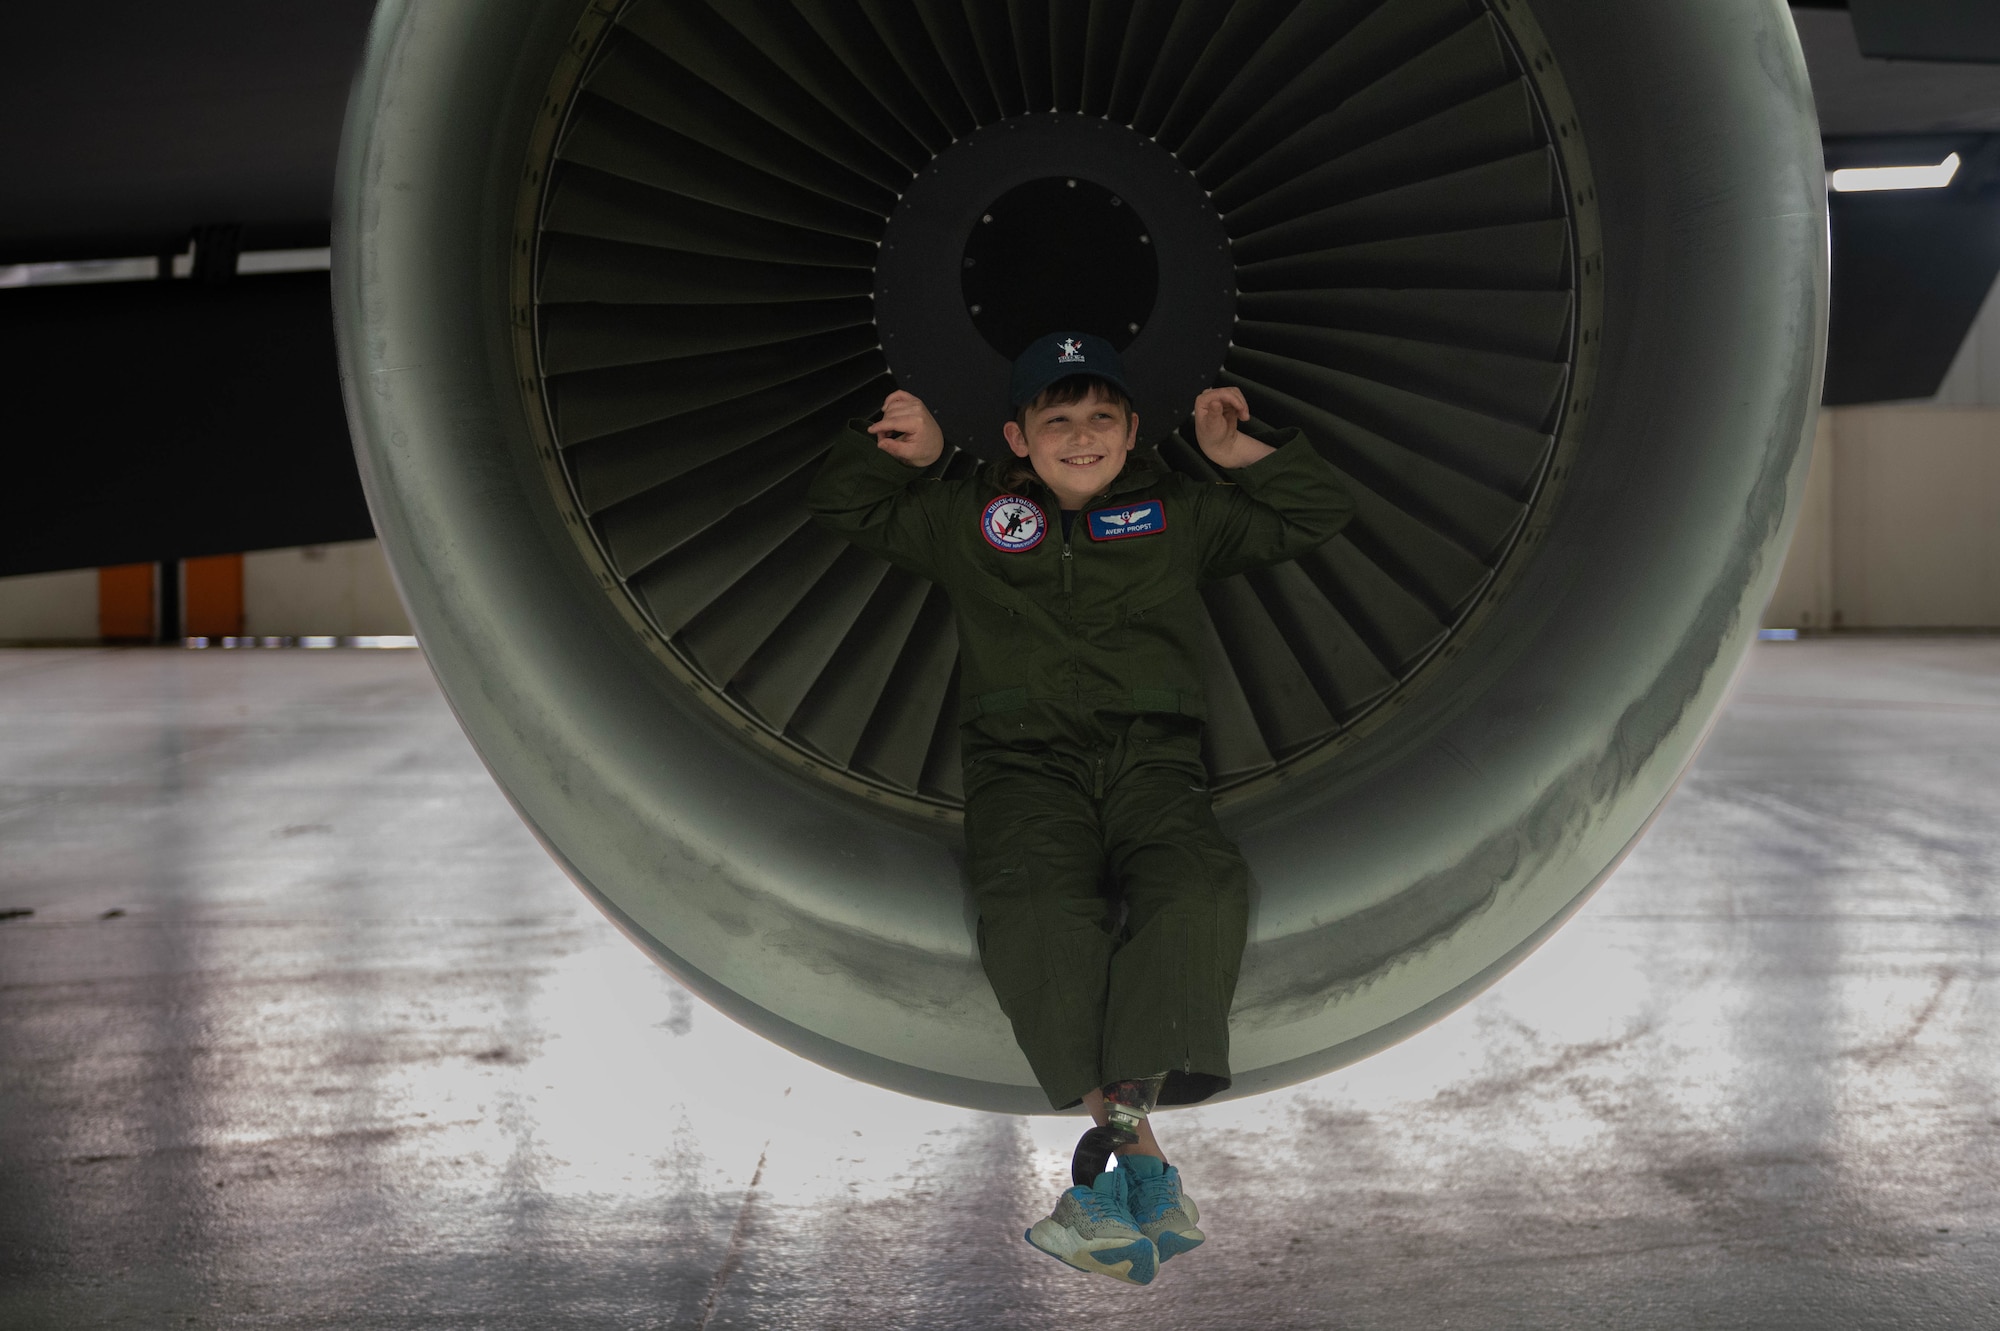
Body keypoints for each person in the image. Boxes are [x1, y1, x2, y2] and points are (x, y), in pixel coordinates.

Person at [807, 331, 1353, 1285]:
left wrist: (1238, 455)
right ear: (1019, 437)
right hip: (1026, 772)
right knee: (1034, 917)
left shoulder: (1180, 514)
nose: (1083, 436)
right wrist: (918, 456)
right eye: (1057, 420)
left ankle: (1113, 1183)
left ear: (1133, 429)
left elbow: (1316, 511)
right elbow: (842, 501)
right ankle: (1136, 1166)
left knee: (1200, 893)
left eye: (1102, 417)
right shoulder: (967, 520)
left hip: (1155, 765)